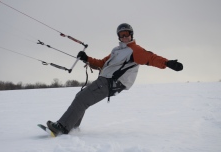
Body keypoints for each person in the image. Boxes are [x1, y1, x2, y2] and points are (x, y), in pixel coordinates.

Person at [47, 23, 183, 135]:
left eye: (126, 34)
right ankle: (72, 128)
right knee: (81, 97)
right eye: (121, 35)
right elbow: (101, 63)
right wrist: (86, 58)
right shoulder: (116, 50)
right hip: (104, 80)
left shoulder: (134, 50)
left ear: (131, 34)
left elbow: (151, 58)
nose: (124, 37)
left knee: (82, 99)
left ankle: (63, 127)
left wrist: (168, 63)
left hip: (111, 82)